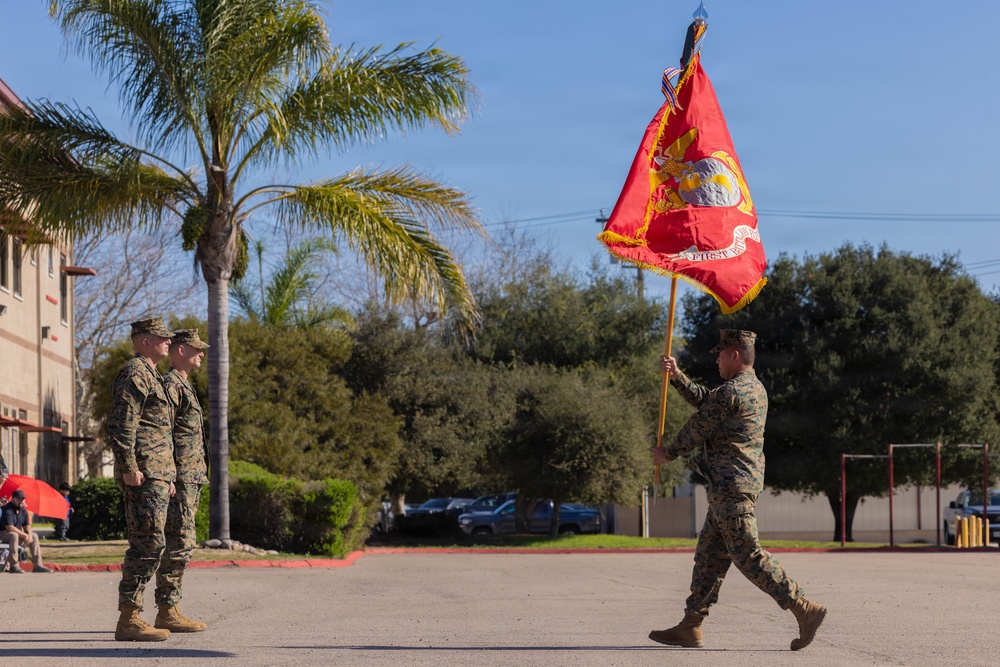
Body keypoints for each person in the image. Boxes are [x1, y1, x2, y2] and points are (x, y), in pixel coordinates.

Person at [648, 329, 827, 651]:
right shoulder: (753, 389)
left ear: (733, 354)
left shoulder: (731, 391)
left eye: (720, 354)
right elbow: (709, 403)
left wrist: (668, 453)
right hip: (732, 485)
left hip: (731, 486)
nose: (716, 360)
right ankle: (691, 624)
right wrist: (677, 377)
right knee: (709, 556)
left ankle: (804, 608)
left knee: (747, 554)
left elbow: (699, 425)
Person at [107, 317, 176, 642]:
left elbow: (157, 431)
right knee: (147, 543)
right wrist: (128, 466)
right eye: (163, 338)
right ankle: (129, 618)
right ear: (146, 341)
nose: (168, 342)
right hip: (143, 474)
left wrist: (168, 474)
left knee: (152, 542)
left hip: (156, 473)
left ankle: (133, 615)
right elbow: (122, 423)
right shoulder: (136, 373)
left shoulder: (153, 375)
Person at [155, 328, 210, 632]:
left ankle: (171, 606)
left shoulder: (183, 384)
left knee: (183, 542)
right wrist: (170, 474)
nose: (201, 353)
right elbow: (163, 432)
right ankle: (167, 610)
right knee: (180, 541)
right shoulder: (171, 385)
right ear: (180, 350)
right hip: (180, 477)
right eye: (196, 348)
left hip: (191, 476)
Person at [1, 489, 53, 573]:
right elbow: (9, 528)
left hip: (14, 535)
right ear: (13, 499)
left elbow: (27, 526)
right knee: (14, 535)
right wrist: (25, 535)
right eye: (19, 499)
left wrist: (29, 534)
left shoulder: (23, 510)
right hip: (3, 534)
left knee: (34, 536)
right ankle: (14, 565)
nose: (21, 501)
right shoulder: (7, 509)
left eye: (23, 499)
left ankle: (37, 565)